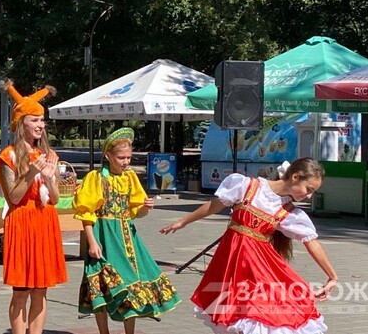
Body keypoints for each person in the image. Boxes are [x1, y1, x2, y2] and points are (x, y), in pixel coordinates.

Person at [160, 158, 338, 334]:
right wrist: (183, 221)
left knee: (255, 315)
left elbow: (311, 242)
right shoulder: (247, 186)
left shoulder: (288, 211)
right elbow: (213, 206)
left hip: (258, 268)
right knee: (233, 316)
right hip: (231, 263)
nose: (308, 196)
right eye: (309, 189)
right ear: (295, 177)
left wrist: (332, 276)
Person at [74, 127, 180, 333]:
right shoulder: (95, 178)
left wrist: (145, 208)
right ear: (108, 155)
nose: (125, 162)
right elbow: (86, 213)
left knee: (131, 284)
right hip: (103, 235)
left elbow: (136, 214)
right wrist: (92, 242)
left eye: (128, 157)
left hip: (126, 237)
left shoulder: (130, 178)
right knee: (101, 286)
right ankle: (103, 332)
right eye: (121, 157)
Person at [0, 81, 67, 334]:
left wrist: (48, 178)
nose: (40, 125)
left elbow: (55, 198)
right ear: (20, 122)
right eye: (34, 119)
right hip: (22, 223)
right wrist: (31, 173)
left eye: (42, 120)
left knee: (40, 290)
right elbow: (13, 198)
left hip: (45, 222)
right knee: (21, 291)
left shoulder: (49, 154)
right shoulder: (9, 156)